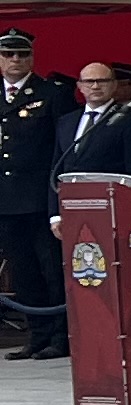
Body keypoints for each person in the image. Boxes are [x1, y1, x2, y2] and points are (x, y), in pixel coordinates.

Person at [0, 29, 68, 358]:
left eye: (22, 54)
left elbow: (63, 148)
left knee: (51, 268)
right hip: (6, 198)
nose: (16, 60)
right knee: (22, 270)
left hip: (40, 196)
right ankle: (37, 335)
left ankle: (61, 335)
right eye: (9, 54)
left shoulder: (52, 93)